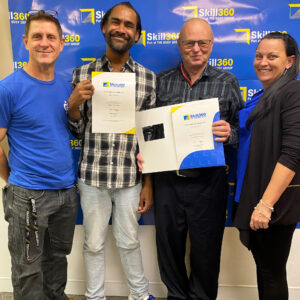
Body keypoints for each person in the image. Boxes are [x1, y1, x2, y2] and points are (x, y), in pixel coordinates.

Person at [138, 18, 244, 300]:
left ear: (211, 44)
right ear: (179, 44)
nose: (196, 49)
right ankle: (176, 296)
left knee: (206, 251)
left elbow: (239, 132)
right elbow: (149, 132)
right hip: (168, 181)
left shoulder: (228, 82)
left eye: (203, 43)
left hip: (209, 181)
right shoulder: (161, 81)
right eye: (189, 42)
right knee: (168, 249)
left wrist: (228, 133)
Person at [67, 2, 155, 300]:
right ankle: (94, 297)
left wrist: (148, 183)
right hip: (92, 176)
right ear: (104, 27)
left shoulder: (147, 78)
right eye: (116, 22)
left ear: (138, 35)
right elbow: (76, 130)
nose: (121, 28)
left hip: (130, 179)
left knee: (129, 241)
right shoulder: (83, 74)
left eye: (129, 25)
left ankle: (140, 295)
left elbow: (149, 137)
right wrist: (74, 104)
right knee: (93, 243)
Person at [0, 10, 78, 300]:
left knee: (57, 260)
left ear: (61, 43)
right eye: (37, 37)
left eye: (50, 37)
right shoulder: (8, 88)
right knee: (28, 268)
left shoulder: (65, 87)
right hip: (29, 197)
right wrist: (12, 178)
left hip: (66, 194)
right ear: (26, 42)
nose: (44, 43)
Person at [234, 32, 300, 300]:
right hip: (257, 196)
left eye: (272, 56)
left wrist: (265, 204)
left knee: (271, 273)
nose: (263, 62)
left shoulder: (293, 91)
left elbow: (293, 152)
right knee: (266, 270)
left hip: (274, 203)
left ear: (289, 61)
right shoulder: (265, 96)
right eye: (259, 56)